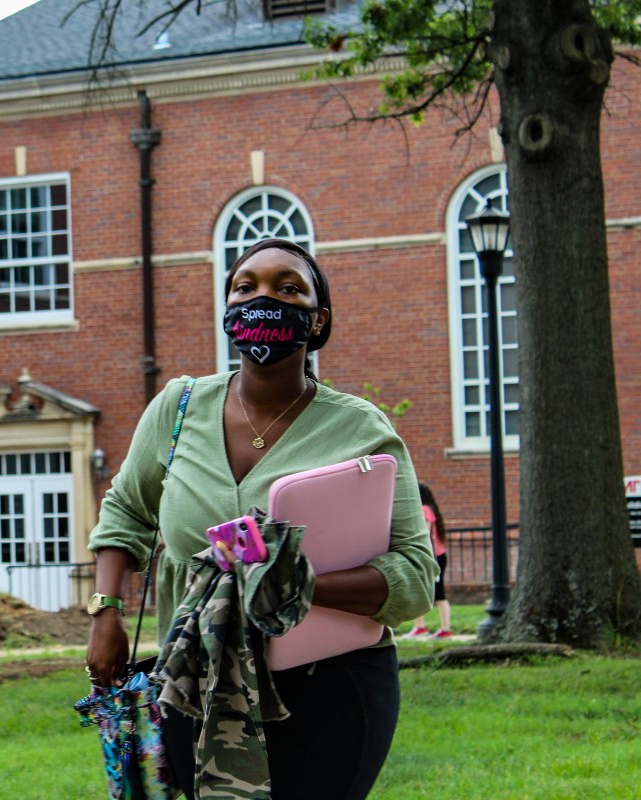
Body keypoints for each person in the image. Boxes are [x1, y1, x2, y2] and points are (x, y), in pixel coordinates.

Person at [85, 238, 437, 800]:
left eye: (288, 287)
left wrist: (295, 586)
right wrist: (106, 610)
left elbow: (416, 577)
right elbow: (126, 508)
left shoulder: (361, 430)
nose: (263, 298)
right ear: (228, 311)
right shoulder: (177, 410)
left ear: (317, 320)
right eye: (245, 287)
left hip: (332, 684)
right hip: (194, 679)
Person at [406, 483, 451, 639]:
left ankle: (444, 629)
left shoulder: (424, 510)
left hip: (433, 557)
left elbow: (424, 534)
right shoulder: (430, 509)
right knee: (421, 590)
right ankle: (421, 626)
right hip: (437, 555)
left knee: (438, 594)